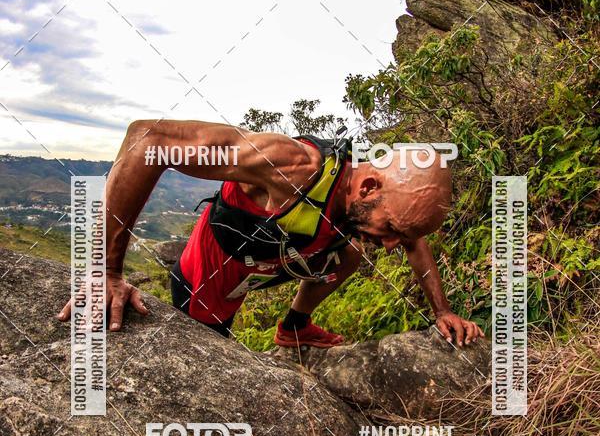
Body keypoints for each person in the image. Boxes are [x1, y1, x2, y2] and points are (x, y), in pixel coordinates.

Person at [58, 119, 484, 348]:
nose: (394, 244)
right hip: (220, 265)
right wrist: (105, 271)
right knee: (208, 350)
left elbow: (414, 240)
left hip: (279, 259)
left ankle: (295, 326)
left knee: (353, 249)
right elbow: (148, 140)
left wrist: (442, 311)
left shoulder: (376, 203)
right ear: (369, 186)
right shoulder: (287, 164)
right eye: (391, 229)